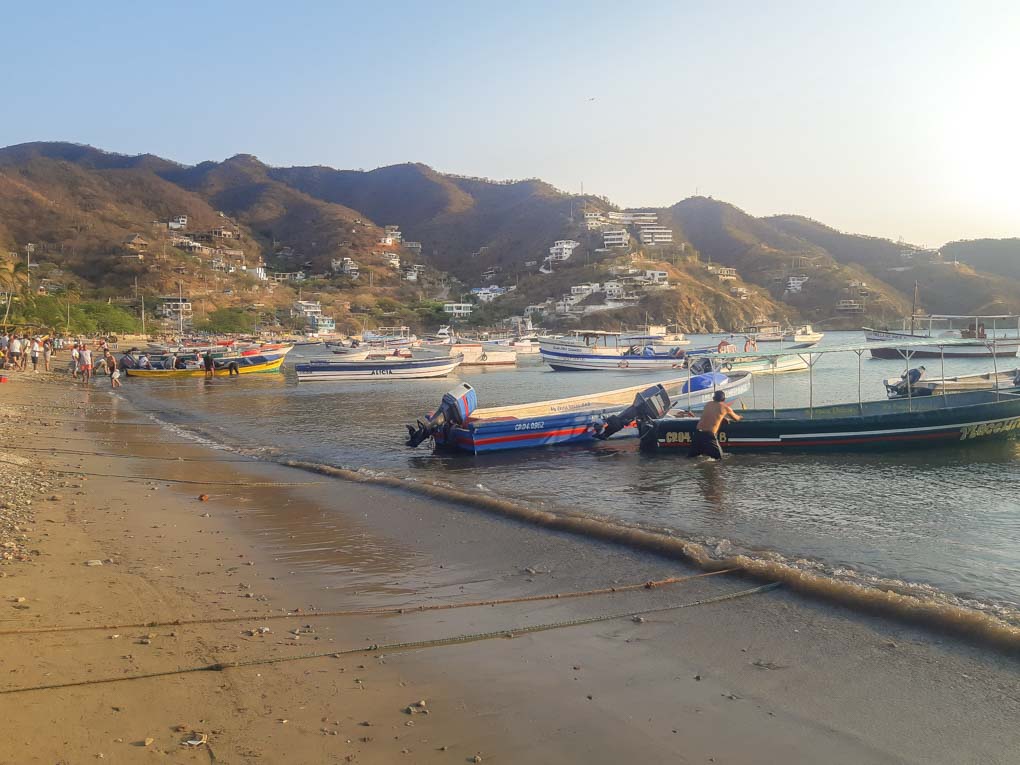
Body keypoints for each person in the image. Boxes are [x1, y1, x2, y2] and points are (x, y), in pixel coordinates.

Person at [687, 390, 742, 460]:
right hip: (709, 435)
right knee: (719, 459)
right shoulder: (726, 407)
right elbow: (736, 418)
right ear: (724, 399)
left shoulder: (708, 404)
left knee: (691, 458)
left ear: (713, 398)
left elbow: (711, 415)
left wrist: (722, 418)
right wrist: (741, 417)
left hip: (698, 433)